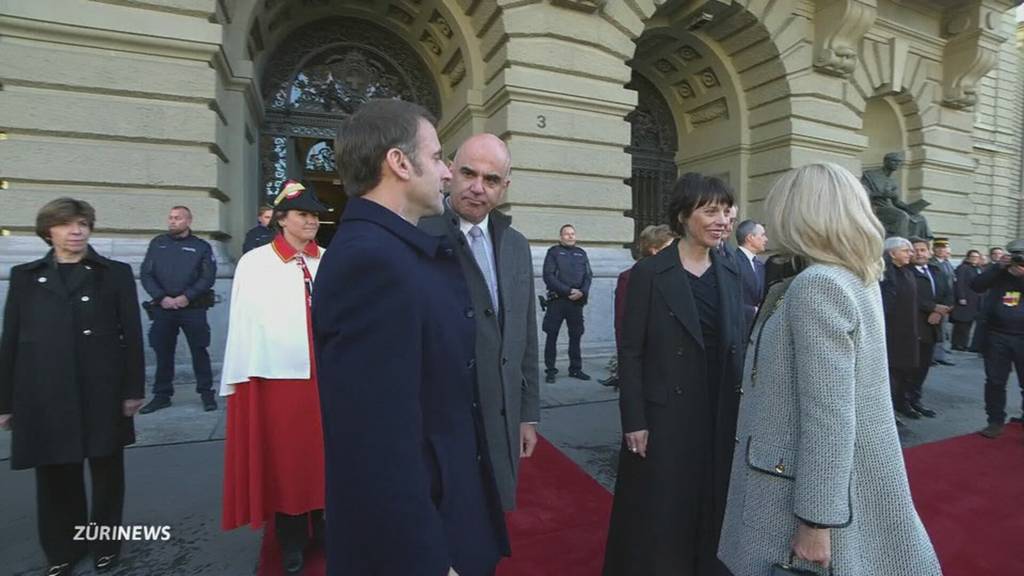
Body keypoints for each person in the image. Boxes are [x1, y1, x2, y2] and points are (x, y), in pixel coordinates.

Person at [312, 99, 507, 575]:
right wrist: (430, 561)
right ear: (399, 163)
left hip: (450, 508)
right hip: (416, 543)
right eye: (439, 156)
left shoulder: (399, 251)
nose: (447, 173)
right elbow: (377, 444)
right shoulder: (371, 261)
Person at [718, 163, 941, 576]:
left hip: (792, 490)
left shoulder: (819, 285)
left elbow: (829, 416)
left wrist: (816, 522)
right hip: (827, 475)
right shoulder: (856, 277)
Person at [603, 173, 745, 576]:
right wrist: (634, 420)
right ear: (684, 216)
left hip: (720, 411)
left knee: (713, 504)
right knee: (663, 512)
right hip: (665, 417)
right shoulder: (650, 274)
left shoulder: (732, 269)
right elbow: (631, 353)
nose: (723, 220)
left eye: (726, 211)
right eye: (711, 211)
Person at [0, 198, 145, 576]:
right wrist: (5, 401)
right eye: (66, 224)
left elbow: (131, 333)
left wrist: (133, 389)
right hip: (43, 392)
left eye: (82, 224)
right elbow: (10, 340)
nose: (76, 231)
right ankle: (62, 550)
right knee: (55, 474)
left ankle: (105, 545)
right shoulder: (25, 277)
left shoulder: (113, 273)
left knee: (106, 471)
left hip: (102, 389)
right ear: (49, 230)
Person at [419, 133, 540, 511]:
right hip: (442, 420)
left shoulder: (517, 244)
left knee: (491, 519)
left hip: (502, 415)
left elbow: (526, 336)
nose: (477, 188)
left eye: (490, 180)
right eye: (468, 173)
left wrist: (528, 414)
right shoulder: (419, 235)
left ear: (504, 187)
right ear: (449, 172)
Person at [220, 180, 327, 574]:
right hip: (279, 378)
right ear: (281, 219)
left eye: (315, 215)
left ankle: (327, 525)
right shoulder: (256, 262)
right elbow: (245, 326)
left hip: (326, 376)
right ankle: (292, 538)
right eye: (303, 214)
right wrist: (245, 379)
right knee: (289, 461)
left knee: (326, 456)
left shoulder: (327, 260)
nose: (311, 221)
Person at [139, 205, 217, 413]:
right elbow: (146, 273)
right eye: (170, 218)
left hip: (192, 309)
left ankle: (206, 393)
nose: (172, 221)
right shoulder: (158, 244)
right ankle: (162, 395)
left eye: (177, 218)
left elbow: (207, 276)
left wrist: (187, 297)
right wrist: (161, 297)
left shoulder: (201, 246)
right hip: (163, 309)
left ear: (188, 221)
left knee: (199, 350)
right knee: (163, 352)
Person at [601, 224, 675, 388]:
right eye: (670, 247)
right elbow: (623, 322)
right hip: (647, 359)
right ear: (655, 250)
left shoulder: (678, 275)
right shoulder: (629, 277)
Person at [971, 240, 1024, 439]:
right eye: (1015, 255)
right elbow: (976, 286)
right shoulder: (998, 272)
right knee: (994, 381)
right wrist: (997, 267)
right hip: (997, 335)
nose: (1018, 259)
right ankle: (994, 420)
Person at [902, 237, 951, 419]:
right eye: (915, 250)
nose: (919, 253)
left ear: (929, 252)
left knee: (923, 367)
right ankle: (903, 402)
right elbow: (910, 297)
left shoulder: (936, 271)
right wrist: (933, 308)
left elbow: (948, 294)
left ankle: (916, 399)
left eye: (923, 250)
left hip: (932, 326)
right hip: (913, 327)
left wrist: (939, 312)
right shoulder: (905, 272)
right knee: (909, 368)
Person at [542, 224, 593, 383]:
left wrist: (582, 292)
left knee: (576, 336)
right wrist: (568, 291)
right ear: (560, 237)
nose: (570, 236)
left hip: (576, 303)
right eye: (566, 234)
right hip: (557, 301)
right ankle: (550, 370)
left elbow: (588, 276)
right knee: (552, 336)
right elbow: (548, 276)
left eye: (572, 234)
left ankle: (575, 369)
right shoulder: (554, 252)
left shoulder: (581, 253)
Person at [881, 236, 919, 427]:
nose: (910, 254)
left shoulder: (908, 273)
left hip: (908, 332)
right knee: (890, 376)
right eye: (906, 250)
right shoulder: (886, 273)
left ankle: (902, 404)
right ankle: (887, 414)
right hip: (890, 333)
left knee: (906, 371)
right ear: (891, 253)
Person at [735, 219, 767, 335]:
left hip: (756, 331)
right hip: (739, 329)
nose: (766, 239)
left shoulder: (760, 265)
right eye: (762, 235)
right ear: (750, 238)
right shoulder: (732, 262)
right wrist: (752, 311)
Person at [930, 238, 956, 366]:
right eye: (938, 248)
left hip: (946, 301)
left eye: (943, 248)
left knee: (944, 331)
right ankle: (932, 356)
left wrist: (950, 302)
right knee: (934, 330)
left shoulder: (947, 264)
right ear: (934, 249)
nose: (941, 250)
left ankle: (942, 355)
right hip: (937, 301)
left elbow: (952, 284)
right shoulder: (931, 263)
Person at [951, 249, 984, 351]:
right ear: (968, 257)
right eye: (972, 257)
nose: (974, 259)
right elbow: (959, 283)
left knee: (968, 322)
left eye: (976, 257)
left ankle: (963, 343)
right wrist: (961, 297)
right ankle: (957, 344)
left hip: (974, 300)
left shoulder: (978, 268)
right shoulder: (963, 268)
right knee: (961, 323)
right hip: (965, 299)